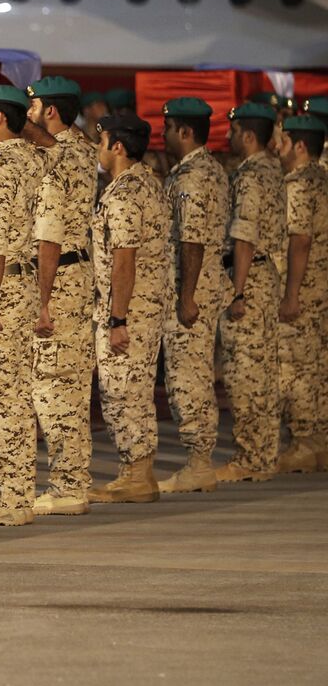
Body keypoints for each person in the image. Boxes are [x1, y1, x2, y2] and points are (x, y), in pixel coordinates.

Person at [0, 84, 51, 527]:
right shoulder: (34, 160)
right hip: (24, 285)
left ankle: (10, 497)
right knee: (13, 393)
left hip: (1, 290)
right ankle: (17, 491)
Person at [88, 113, 172, 504]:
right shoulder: (148, 184)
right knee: (133, 389)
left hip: (129, 309)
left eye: (101, 140)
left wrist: (117, 318)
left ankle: (136, 475)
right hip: (146, 306)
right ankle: (138, 473)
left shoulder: (124, 194)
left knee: (124, 391)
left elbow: (124, 259)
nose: (98, 149)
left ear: (117, 146)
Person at [25, 76, 98, 516]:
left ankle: (70, 485)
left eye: (31, 106)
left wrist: (43, 301)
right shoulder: (83, 149)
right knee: (66, 384)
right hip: (71, 272)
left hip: (60, 276)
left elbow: (48, 238)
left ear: (49, 111)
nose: (27, 114)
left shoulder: (60, 157)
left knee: (56, 387)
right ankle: (71, 480)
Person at [156, 97, 230, 493]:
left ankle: (199, 461)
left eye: (168, 128)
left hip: (193, 285)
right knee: (195, 370)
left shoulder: (193, 177)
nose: (163, 136)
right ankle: (199, 458)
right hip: (201, 282)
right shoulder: (209, 170)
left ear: (184, 132)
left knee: (189, 374)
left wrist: (186, 297)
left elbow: (192, 240)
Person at [217, 102, 284, 483]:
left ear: (247, 135)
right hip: (266, 274)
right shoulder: (274, 170)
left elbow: (243, 238)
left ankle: (250, 457)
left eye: (232, 130)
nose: (227, 137)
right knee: (263, 370)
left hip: (250, 276)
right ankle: (263, 453)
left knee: (244, 372)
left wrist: (237, 293)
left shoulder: (250, 176)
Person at [273, 114, 327, 472]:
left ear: (300, 146)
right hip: (320, 287)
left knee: (297, 368)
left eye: (283, 141)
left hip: (304, 288)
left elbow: (300, 241)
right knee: (318, 365)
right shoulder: (323, 179)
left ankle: (306, 442)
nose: (278, 147)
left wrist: (290, 294)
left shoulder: (299, 185)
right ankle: (319, 442)